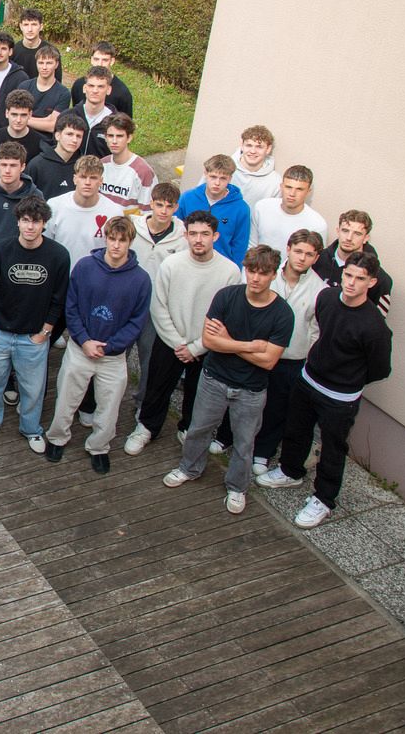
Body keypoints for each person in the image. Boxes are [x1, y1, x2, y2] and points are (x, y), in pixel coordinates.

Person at [257, 252, 392, 529]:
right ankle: (290, 471)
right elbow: (321, 330)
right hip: (309, 379)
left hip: (340, 397)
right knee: (296, 430)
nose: (351, 283)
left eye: (360, 278)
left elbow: (380, 369)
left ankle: (324, 499)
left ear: (371, 282)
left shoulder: (374, 327)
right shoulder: (327, 298)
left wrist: (347, 379)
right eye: (348, 275)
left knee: (332, 448)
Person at [162, 245, 294, 515]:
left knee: (244, 443)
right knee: (198, 429)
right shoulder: (226, 296)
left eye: (263, 273)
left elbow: (269, 361)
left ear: (274, 274)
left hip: (251, 390)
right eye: (251, 271)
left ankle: (237, 487)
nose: (255, 278)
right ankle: (189, 468)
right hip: (214, 379)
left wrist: (228, 341)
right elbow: (210, 341)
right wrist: (250, 346)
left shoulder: (282, 313)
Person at [125, 211, 243, 454]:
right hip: (170, 341)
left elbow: (226, 317)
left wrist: (197, 347)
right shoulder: (171, 264)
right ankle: (146, 427)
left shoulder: (230, 272)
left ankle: (189, 428)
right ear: (185, 235)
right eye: (193, 233)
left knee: (198, 394)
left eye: (205, 234)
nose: (198, 239)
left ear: (215, 236)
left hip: (206, 346)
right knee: (157, 387)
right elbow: (159, 306)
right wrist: (178, 343)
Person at [43, 217, 151, 473]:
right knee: (66, 398)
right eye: (112, 239)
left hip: (113, 357)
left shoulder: (141, 280)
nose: (116, 245)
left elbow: (137, 321)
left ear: (130, 242)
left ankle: (99, 447)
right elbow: (71, 307)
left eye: (122, 240)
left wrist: (111, 346)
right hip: (80, 349)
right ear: (105, 238)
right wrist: (84, 340)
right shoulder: (84, 267)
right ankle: (57, 438)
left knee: (109, 406)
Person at [0, 197, 69, 452]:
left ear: (44, 224)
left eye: (36, 221)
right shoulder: (1, 250)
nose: (30, 226)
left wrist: (45, 331)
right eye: (25, 220)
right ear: (17, 221)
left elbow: (59, 298)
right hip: (0, 333)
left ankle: (31, 429)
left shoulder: (59, 255)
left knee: (33, 389)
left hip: (34, 336)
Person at [252, 229, 323, 474]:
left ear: (316, 258)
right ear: (289, 249)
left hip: (291, 360)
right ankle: (228, 437)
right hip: (257, 351)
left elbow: (315, 331)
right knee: (246, 399)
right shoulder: (268, 274)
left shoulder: (319, 289)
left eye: (309, 254)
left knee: (277, 408)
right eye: (299, 251)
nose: (302, 258)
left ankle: (263, 451)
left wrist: (307, 359)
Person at [127, 180, 186, 407]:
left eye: (169, 206)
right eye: (159, 204)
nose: (163, 211)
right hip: (128, 303)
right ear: (151, 203)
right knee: (116, 355)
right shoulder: (134, 227)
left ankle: (142, 403)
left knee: (149, 359)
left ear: (176, 207)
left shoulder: (182, 237)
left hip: (156, 308)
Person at [45, 157, 126, 268]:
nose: (88, 182)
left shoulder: (114, 212)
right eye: (83, 177)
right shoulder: (54, 206)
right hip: (60, 273)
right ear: (75, 179)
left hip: (97, 274)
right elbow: (45, 245)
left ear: (101, 181)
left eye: (93, 178)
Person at [313, 209, 393, 314]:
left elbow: (376, 320)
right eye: (345, 231)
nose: (349, 238)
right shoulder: (316, 259)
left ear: (366, 238)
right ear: (338, 231)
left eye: (357, 234)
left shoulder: (379, 278)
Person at [178, 154, 251, 267]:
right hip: (187, 262)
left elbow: (240, 246)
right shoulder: (187, 198)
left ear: (230, 179)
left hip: (221, 267)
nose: (217, 183)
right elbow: (175, 229)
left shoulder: (241, 208)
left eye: (223, 178)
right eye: (213, 177)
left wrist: (236, 270)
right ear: (205, 174)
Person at [0, 143, 43, 247]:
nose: (7, 171)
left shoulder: (35, 195)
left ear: (22, 167)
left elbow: (38, 231)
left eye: (13, 165)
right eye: (4, 165)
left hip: (19, 254)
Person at [251, 164, 327, 253]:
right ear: (281, 186)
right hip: (258, 262)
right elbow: (251, 245)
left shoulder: (317, 225)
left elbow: (316, 257)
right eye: (288, 187)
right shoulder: (262, 208)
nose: (292, 194)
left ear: (308, 191)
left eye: (299, 189)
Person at [97, 113, 153, 209]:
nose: (114, 141)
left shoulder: (143, 171)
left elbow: (147, 211)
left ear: (129, 138)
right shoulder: (100, 165)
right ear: (105, 137)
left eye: (119, 136)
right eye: (110, 136)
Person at [25, 111, 87, 198]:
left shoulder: (85, 166)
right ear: (57, 135)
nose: (74, 140)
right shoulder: (36, 165)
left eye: (79, 136)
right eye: (70, 134)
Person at [18, 43, 71, 138]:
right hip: (21, 136)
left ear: (56, 64)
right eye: (41, 63)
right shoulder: (24, 87)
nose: (44, 67)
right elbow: (15, 116)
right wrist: (47, 119)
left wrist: (24, 119)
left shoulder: (63, 93)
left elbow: (52, 126)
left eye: (49, 63)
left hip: (46, 141)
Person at [68, 41, 133, 119]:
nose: (100, 64)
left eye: (105, 60)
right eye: (96, 59)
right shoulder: (78, 85)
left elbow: (126, 123)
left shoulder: (122, 93)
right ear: (91, 60)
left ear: (112, 61)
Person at [224, 123, 282, 206]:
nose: (253, 151)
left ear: (268, 149)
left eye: (259, 147)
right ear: (242, 145)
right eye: (249, 145)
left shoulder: (275, 181)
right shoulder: (223, 169)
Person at [10, 8, 61, 85]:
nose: (30, 29)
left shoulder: (51, 52)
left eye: (34, 24)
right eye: (26, 25)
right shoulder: (13, 51)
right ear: (21, 26)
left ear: (41, 26)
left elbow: (57, 82)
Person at [0, 89, 43, 162]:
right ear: (7, 113)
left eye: (23, 115)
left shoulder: (40, 143)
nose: (18, 120)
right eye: (14, 115)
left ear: (30, 114)